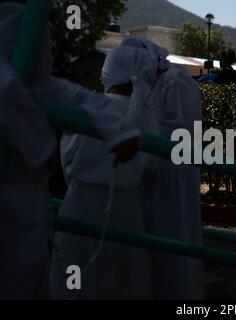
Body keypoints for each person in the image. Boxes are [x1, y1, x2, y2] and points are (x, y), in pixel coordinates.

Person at [0, 3, 140, 299]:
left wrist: (119, 129)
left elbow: (78, 99)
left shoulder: (36, 85)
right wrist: (43, 148)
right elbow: (7, 92)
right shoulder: (16, 82)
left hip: (33, 201)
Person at [50, 45, 161, 299]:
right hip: (128, 207)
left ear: (109, 72)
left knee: (74, 272)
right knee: (123, 277)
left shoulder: (92, 106)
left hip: (82, 203)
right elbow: (151, 164)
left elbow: (68, 158)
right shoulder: (148, 114)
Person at [122, 37, 204, 300]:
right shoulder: (146, 84)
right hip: (150, 171)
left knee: (174, 235)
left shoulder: (175, 80)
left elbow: (181, 132)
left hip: (173, 174)